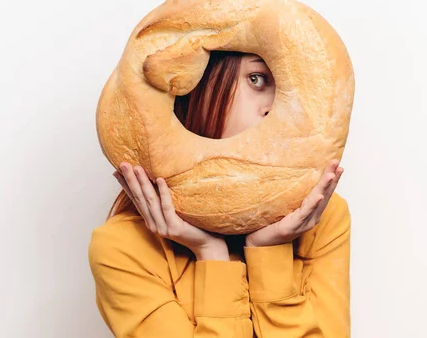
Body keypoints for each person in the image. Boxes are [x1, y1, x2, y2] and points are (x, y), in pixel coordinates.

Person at [88, 50, 351, 337]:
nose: (276, 108)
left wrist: (269, 250)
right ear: (198, 84)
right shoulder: (123, 247)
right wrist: (210, 253)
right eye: (257, 79)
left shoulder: (319, 218)